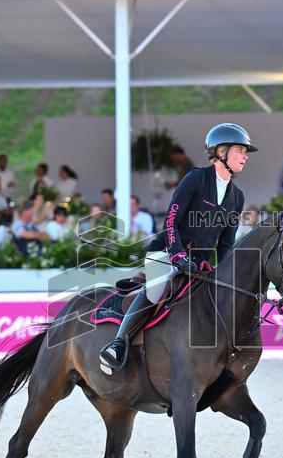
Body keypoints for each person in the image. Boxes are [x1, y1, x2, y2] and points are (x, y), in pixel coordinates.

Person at [99, 122, 252, 370]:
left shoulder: (237, 197)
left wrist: (229, 272)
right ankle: (118, 344)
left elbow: (225, 244)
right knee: (157, 288)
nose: (245, 156)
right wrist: (177, 253)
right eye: (240, 150)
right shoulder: (196, 178)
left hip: (200, 265)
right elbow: (171, 219)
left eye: (245, 152)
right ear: (221, 152)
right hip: (167, 251)